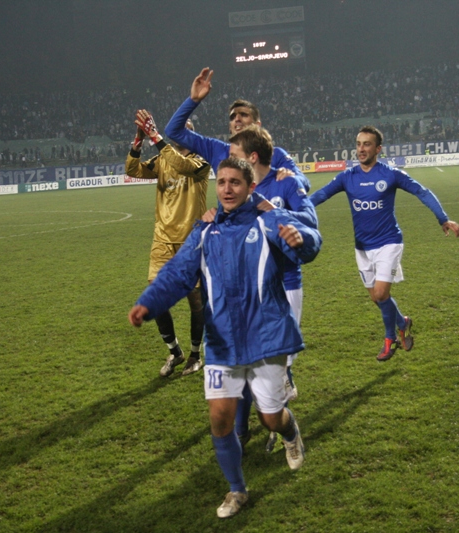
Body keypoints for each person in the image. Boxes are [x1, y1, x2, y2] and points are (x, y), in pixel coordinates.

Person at [128, 157, 322, 518]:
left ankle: (290, 431)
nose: (228, 189)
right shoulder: (204, 232)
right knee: (220, 419)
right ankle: (237, 490)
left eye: (235, 182)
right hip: (223, 342)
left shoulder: (268, 220)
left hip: (266, 337)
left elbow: (311, 243)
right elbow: (176, 275)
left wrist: (301, 238)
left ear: (250, 187)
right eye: (222, 183)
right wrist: (148, 304)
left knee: (270, 417)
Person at [310, 126, 459, 361]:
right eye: (359, 144)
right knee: (376, 298)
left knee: (381, 293)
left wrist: (443, 218)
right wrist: (293, 211)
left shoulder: (390, 174)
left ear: (378, 149)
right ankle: (403, 322)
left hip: (389, 242)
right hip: (362, 246)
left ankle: (390, 339)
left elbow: (422, 192)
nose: (361, 149)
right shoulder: (347, 177)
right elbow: (320, 196)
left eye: (367, 144)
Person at [225, 125, 317, 453]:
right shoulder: (238, 190)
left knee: (274, 366)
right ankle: (256, 425)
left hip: (285, 285)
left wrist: (274, 212)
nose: (227, 159)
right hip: (250, 291)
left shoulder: (284, 181)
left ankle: (279, 427)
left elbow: (311, 223)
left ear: (252, 157)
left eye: (233, 154)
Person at [126, 110, 211, 377]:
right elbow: (132, 170)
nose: (178, 134)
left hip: (191, 242)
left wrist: (156, 137)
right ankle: (175, 352)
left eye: (184, 129)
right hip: (162, 239)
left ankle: (196, 354)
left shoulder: (200, 161)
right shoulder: (163, 159)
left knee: (195, 300)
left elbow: (181, 166)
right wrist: (139, 141)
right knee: (156, 295)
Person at [163, 67, 311, 192]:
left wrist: (291, 176)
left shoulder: (276, 155)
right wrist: (193, 100)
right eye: (233, 117)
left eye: (244, 115)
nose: (237, 119)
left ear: (257, 125)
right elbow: (172, 131)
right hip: (230, 226)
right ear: (230, 127)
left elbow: (305, 183)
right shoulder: (216, 150)